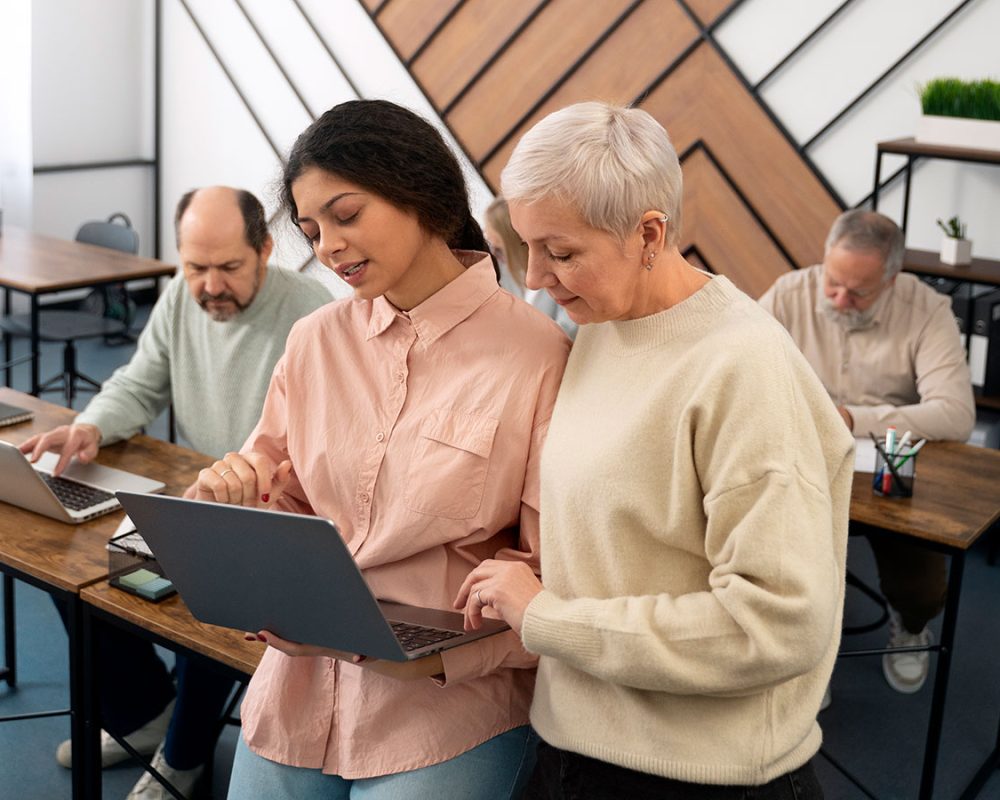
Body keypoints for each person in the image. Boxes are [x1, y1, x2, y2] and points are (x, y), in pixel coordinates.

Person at [455, 102, 855, 799]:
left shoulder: (743, 366)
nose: (535, 279)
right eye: (526, 248)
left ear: (649, 233)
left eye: (561, 252)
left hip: (693, 773)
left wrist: (547, 617)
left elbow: (778, 622)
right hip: (572, 743)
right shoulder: (605, 328)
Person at [194, 100, 570, 799]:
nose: (328, 245)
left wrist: (428, 664)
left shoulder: (538, 356)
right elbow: (281, 491)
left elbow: (552, 573)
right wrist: (235, 493)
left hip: (447, 701)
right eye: (311, 230)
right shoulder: (315, 340)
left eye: (346, 214)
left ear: (421, 193)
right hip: (300, 684)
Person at [21, 186, 331, 799]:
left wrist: (253, 488)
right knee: (66, 560)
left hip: (272, 510)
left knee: (212, 591)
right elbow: (140, 382)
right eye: (196, 268)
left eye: (229, 268)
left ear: (266, 249)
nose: (210, 286)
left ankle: (181, 759)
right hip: (197, 492)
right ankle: (146, 715)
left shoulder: (312, 315)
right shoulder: (179, 299)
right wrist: (90, 426)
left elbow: (323, 448)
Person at [759, 209, 975, 695]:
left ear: (892, 279)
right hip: (803, 461)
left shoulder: (927, 310)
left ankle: (912, 626)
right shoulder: (789, 293)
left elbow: (956, 414)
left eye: (859, 292)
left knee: (923, 589)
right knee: (777, 563)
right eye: (833, 282)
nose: (840, 299)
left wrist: (856, 419)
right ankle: (805, 656)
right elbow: (737, 371)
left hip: (889, 466)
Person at [485, 196, 577, 339]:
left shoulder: (560, 272)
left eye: (499, 251)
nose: (498, 260)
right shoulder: (511, 279)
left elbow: (570, 327)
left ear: (514, 244)